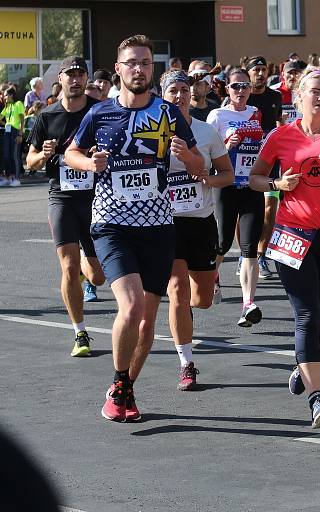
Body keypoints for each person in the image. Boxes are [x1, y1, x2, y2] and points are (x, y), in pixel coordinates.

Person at [64, 34, 203, 422]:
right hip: (111, 224)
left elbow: (198, 169)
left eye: (145, 62)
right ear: (120, 68)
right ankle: (120, 383)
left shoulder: (169, 114)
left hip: (158, 225)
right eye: (132, 63)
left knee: (146, 325)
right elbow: (71, 153)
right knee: (132, 305)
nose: (139, 69)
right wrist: (91, 165)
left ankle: (123, 389)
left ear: (151, 69)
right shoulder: (100, 113)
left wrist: (186, 155)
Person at [250, 69, 320, 426]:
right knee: (306, 314)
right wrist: (279, 182)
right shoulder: (281, 136)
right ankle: (316, 398)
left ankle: (302, 363)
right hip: (293, 232)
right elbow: (254, 179)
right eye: (314, 91)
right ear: (299, 97)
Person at [26, 56, 106, 356]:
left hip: (97, 199)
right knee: (69, 268)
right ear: (59, 79)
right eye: (69, 75)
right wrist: (44, 155)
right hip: (62, 197)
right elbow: (29, 162)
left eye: (80, 75)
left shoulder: (97, 112)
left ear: (86, 80)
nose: (75, 80)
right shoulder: (47, 117)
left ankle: (89, 266)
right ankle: (80, 333)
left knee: (97, 276)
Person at [161, 69, 233, 391]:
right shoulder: (152, 133)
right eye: (172, 91)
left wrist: (207, 179)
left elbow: (227, 175)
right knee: (176, 289)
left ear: (192, 95)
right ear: (163, 96)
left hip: (201, 221)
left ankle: (188, 314)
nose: (178, 96)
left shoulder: (206, 132)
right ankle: (186, 363)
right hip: (165, 222)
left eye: (183, 91)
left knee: (200, 300)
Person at [206, 68, 267, 327]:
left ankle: (248, 304)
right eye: (235, 87)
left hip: (250, 185)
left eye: (244, 86)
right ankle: (212, 276)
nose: (240, 91)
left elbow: (260, 144)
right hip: (226, 184)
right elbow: (206, 148)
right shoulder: (217, 115)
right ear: (226, 89)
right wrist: (226, 145)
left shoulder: (255, 113)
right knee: (221, 242)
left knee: (249, 247)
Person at [242, 56, 283, 282]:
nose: (260, 73)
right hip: (244, 162)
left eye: (263, 69)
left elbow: (278, 125)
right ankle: (245, 253)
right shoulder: (241, 97)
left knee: (270, 207)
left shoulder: (275, 96)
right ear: (248, 73)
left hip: (271, 160)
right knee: (245, 210)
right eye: (256, 69)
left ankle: (260, 253)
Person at [0, 87, 25, 187]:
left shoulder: (18, 104)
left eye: (6, 95)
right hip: (7, 131)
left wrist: (20, 134)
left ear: (11, 95)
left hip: (16, 131)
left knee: (14, 156)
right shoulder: (7, 107)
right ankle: (9, 177)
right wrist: (6, 123)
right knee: (6, 155)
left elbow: (22, 119)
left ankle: (16, 178)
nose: (4, 97)